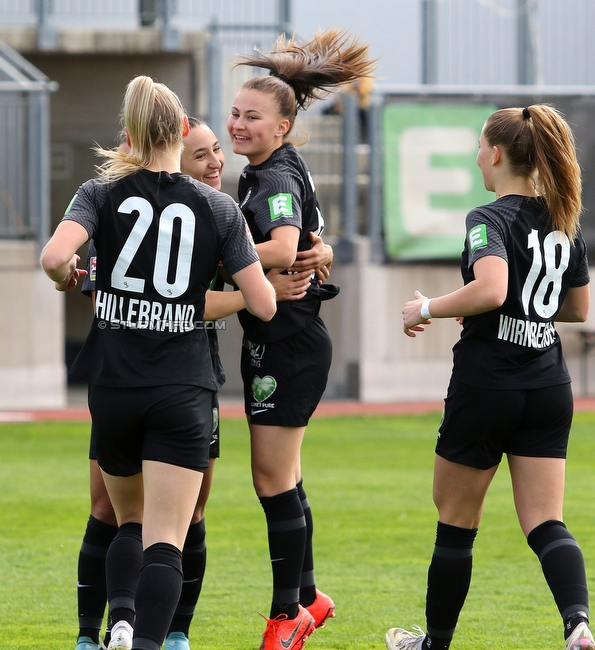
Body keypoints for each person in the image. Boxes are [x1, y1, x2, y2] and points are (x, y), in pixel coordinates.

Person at [42, 75, 276, 650]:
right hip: (183, 388)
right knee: (168, 537)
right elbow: (265, 305)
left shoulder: (99, 194)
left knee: (127, 521)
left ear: (130, 136)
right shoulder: (219, 206)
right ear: (181, 131)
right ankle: (150, 641)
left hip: (115, 383)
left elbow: (53, 258)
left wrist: (71, 277)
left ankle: (109, 629)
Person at [388, 104, 593, 650]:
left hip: (488, 385)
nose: (478, 156)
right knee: (547, 522)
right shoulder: (563, 216)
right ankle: (578, 625)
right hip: (549, 384)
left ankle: (433, 644)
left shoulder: (489, 218)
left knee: (455, 520)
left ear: (497, 154)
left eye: (480, 146)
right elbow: (576, 310)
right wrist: (496, 305)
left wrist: (427, 307)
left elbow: (494, 290)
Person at [227, 29, 375, 650]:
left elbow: (286, 248)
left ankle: (288, 611)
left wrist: (221, 255)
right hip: (282, 336)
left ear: (283, 126)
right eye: (234, 113)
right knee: (281, 474)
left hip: (290, 342)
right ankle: (308, 597)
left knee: (271, 477)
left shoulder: (274, 176)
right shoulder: (268, 170)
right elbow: (301, 245)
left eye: (252, 117)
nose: (239, 125)